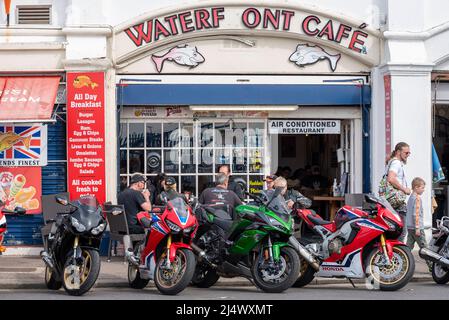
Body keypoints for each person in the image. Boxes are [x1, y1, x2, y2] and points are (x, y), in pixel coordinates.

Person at [117, 173, 152, 265]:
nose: (144, 185)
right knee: (151, 231)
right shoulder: (136, 194)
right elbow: (148, 208)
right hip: (133, 227)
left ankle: (132, 253)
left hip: (122, 227)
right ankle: (139, 256)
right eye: (143, 183)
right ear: (138, 183)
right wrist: (147, 197)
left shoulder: (121, 194)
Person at [385, 142, 412, 241]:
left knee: (394, 231)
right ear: (398, 152)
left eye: (409, 153)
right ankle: (397, 254)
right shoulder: (396, 163)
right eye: (406, 153)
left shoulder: (391, 162)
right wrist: (404, 189)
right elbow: (391, 178)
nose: (408, 155)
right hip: (397, 203)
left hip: (391, 202)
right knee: (401, 232)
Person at [406, 177, 432, 270]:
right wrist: (417, 227)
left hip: (410, 227)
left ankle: (403, 264)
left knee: (408, 247)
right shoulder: (417, 198)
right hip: (417, 228)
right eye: (422, 188)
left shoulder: (410, 198)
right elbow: (416, 214)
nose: (423, 190)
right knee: (425, 248)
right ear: (416, 187)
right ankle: (432, 267)